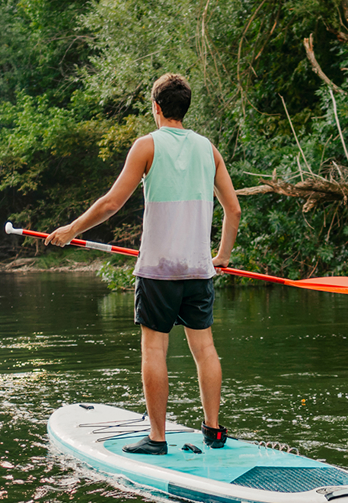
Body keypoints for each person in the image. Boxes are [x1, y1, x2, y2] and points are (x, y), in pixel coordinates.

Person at [45, 73, 242, 455]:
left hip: (158, 271)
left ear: (156, 107)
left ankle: (157, 438)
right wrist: (221, 257)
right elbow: (233, 210)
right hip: (198, 270)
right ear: (185, 107)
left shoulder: (146, 145)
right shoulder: (209, 149)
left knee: (154, 350)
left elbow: (111, 203)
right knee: (205, 349)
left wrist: (72, 229)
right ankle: (214, 431)